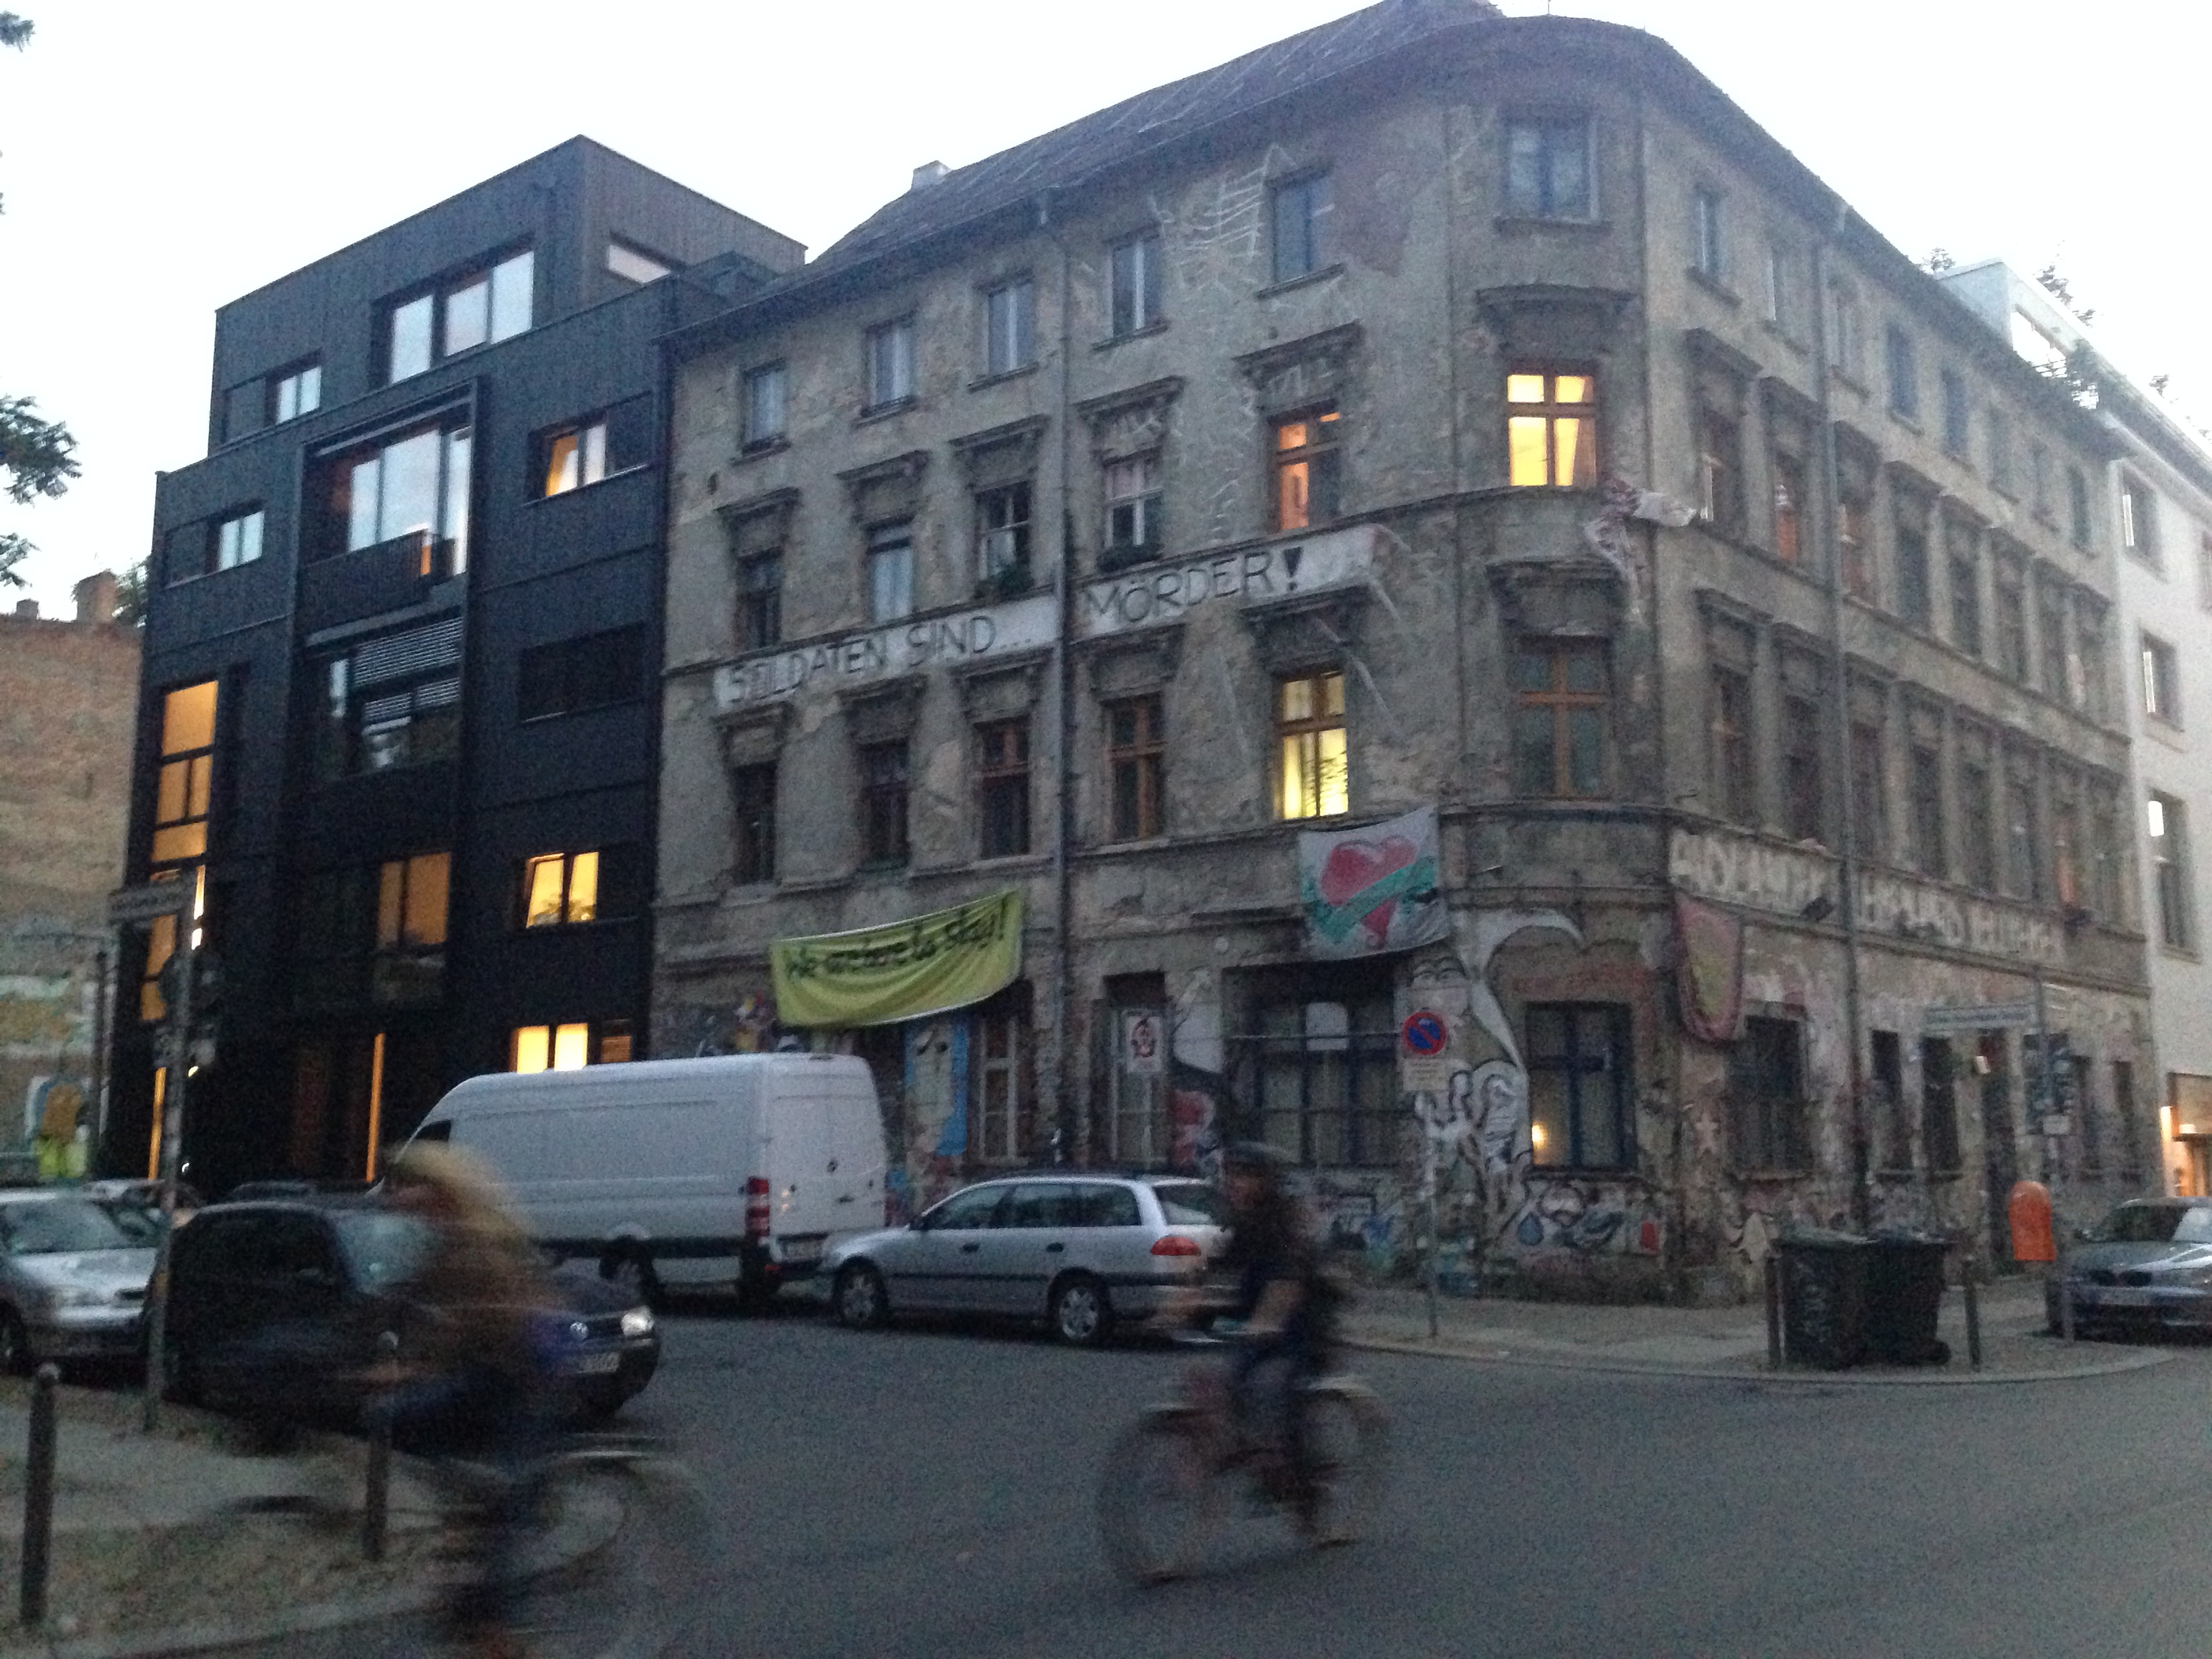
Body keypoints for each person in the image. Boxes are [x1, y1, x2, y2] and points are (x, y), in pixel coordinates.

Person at [379, 1143, 566, 1659]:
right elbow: (407, 1301)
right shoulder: (443, 1243)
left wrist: (416, 1369)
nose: (397, 1197)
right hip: (486, 1375)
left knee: (503, 1505)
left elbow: (484, 1325)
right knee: (403, 1420)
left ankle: (499, 1635)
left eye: (408, 1186)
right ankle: (467, 1528)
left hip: (519, 1380)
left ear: (437, 1191)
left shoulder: (477, 1242)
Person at [1208, 1141, 1341, 1506]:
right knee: (1228, 1384)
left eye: (1244, 1175)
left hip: (1302, 1335)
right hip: (1262, 1333)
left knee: (1271, 1389)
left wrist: (1264, 1323)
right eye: (1231, 1175)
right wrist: (1177, 1307)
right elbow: (1219, 1275)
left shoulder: (1287, 1228)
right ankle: (1260, 1460)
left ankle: (1305, 1477)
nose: (1234, 1183)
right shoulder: (1244, 1224)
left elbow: (1287, 1282)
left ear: (1266, 1181)